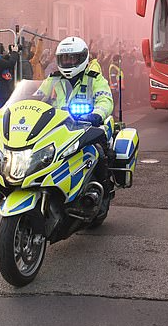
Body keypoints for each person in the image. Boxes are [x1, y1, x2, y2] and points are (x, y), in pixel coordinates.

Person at [40, 36, 114, 217]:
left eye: (72, 58)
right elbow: (37, 97)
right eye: (64, 59)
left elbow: (105, 99)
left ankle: (103, 193)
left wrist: (97, 114)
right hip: (59, 127)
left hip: (87, 126)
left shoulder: (94, 79)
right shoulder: (53, 79)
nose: (68, 62)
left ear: (82, 58)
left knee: (98, 151)